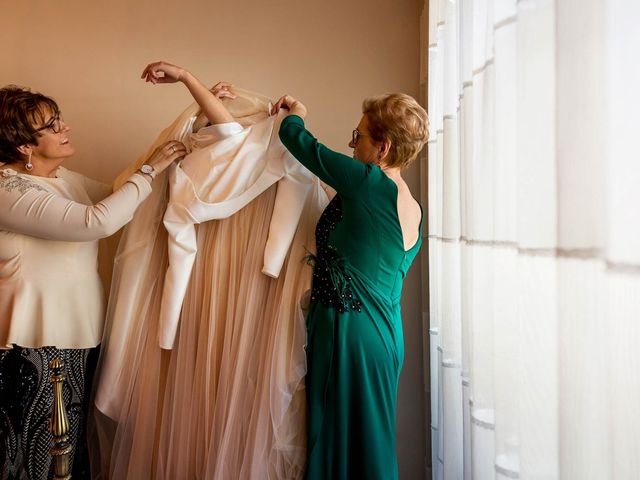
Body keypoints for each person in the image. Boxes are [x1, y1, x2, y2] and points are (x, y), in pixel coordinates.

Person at [90, 62, 327, 479]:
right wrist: (188, 81)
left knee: (206, 390)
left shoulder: (206, 168)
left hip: (216, 280)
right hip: (240, 285)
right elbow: (227, 133)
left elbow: (227, 133)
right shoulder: (242, 158)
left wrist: (191, 83)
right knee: (229, 391)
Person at [0, 85, 185, 479]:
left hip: (75, 337)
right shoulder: (7, 190)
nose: (65, 126)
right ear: (22, 146)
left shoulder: (63, 178)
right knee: (32, 458)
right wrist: (152, 168)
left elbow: (122, 197)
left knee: (65, 454)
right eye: (51, 125)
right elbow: (97, 222)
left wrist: (182, 132)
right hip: (32, 343)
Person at [271, 92, 429, 479]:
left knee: (335, 439)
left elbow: (297, 139)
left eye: (358, 136)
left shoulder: (368, 183)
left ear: (383, 148)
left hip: (348, 333)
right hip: (385, 340)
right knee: (368, 443)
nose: (351, 143)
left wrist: (299, 111)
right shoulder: (412, 207)